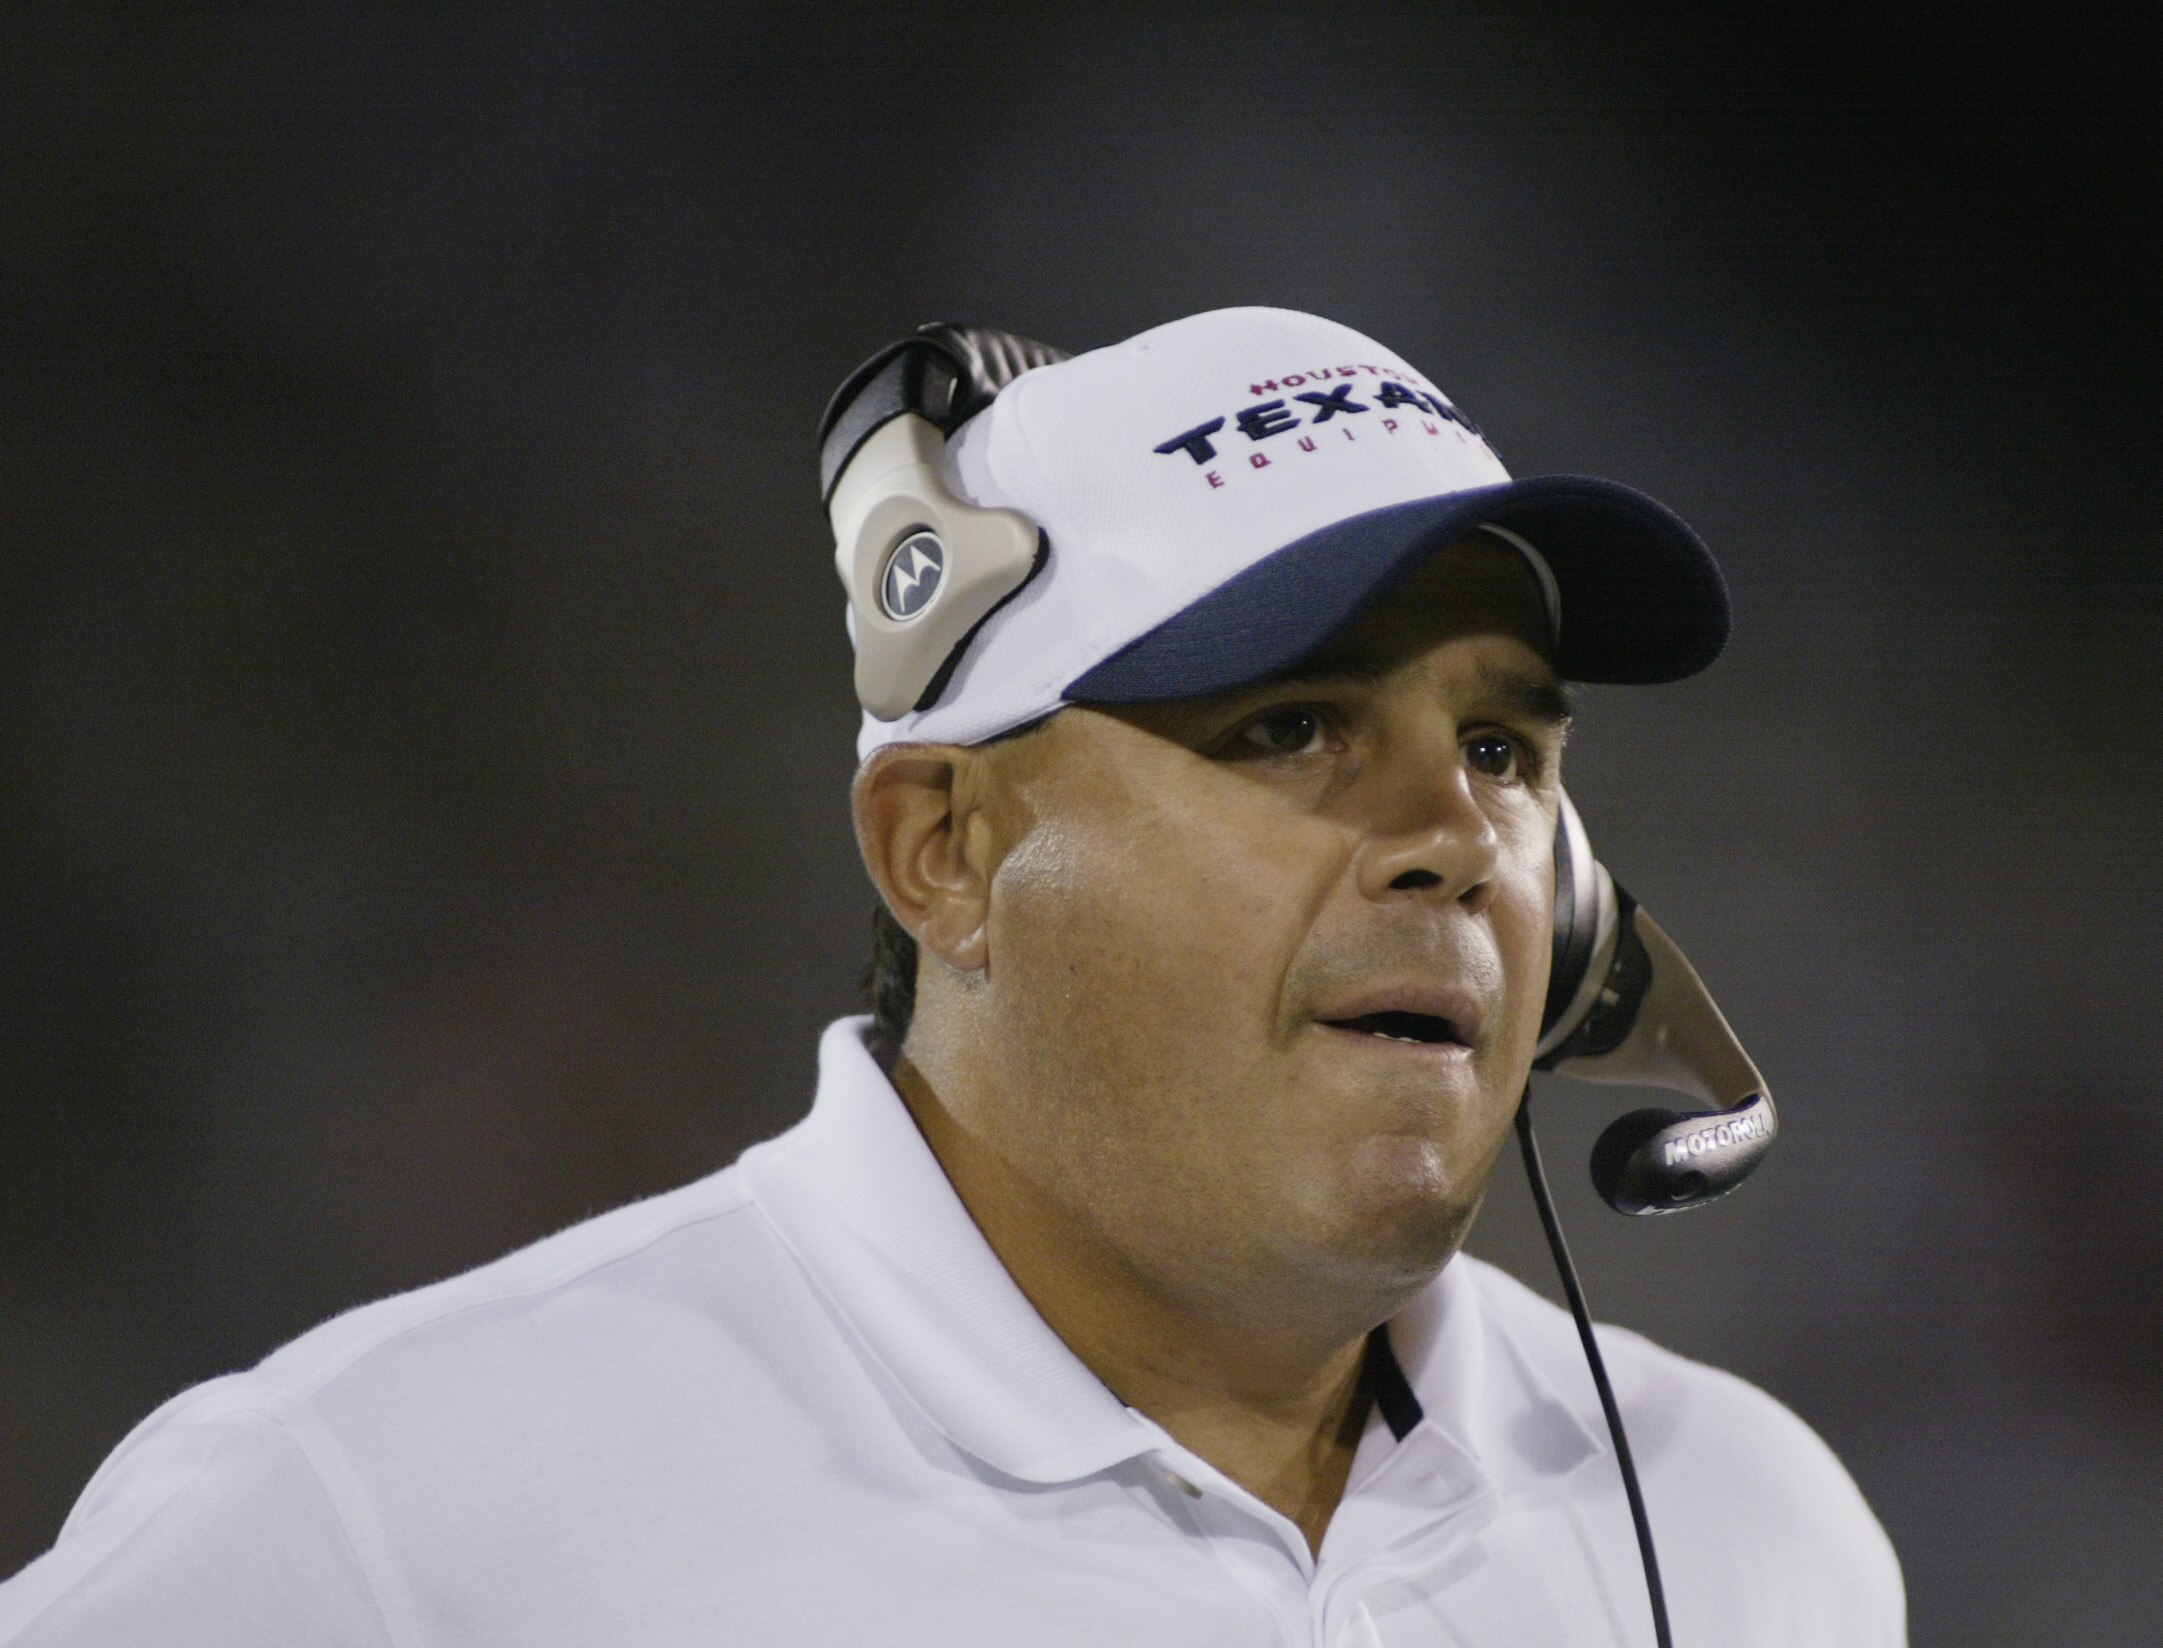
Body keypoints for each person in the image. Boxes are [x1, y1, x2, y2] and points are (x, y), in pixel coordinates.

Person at [0, 307, 1902, 1646]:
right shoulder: (376, 1523)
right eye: (1293, 726)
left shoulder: (1744, 1529)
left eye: (1505, 749)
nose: (1456, 838)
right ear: (947, 853)